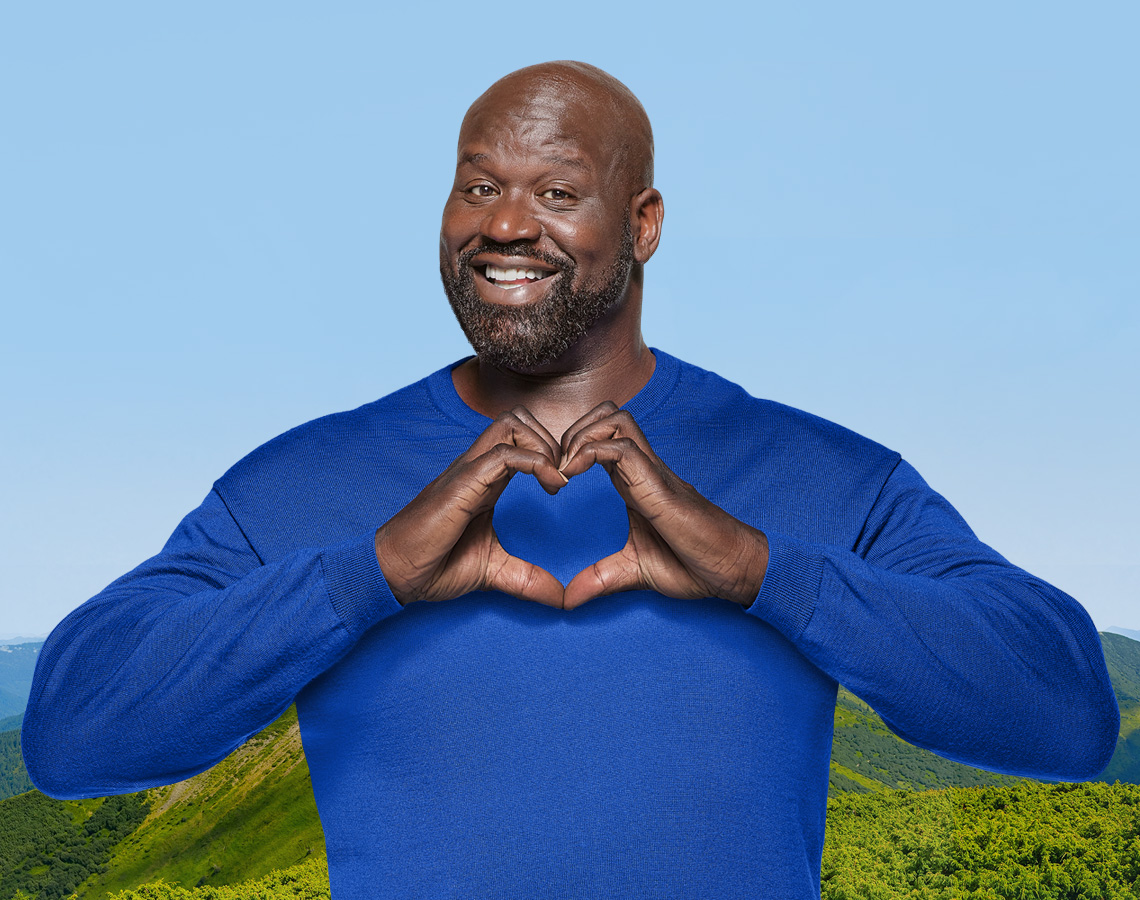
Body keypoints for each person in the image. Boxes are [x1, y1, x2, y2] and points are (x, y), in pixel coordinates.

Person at [23, 61, 1119, 899]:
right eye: (476, 189)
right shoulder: (302, 484)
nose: (505, 223)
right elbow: (77, 737)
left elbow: (1065, 717)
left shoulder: (821, 477)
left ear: (642, 225)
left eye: (556, 190)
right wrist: (367, 576)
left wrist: (765, 573)